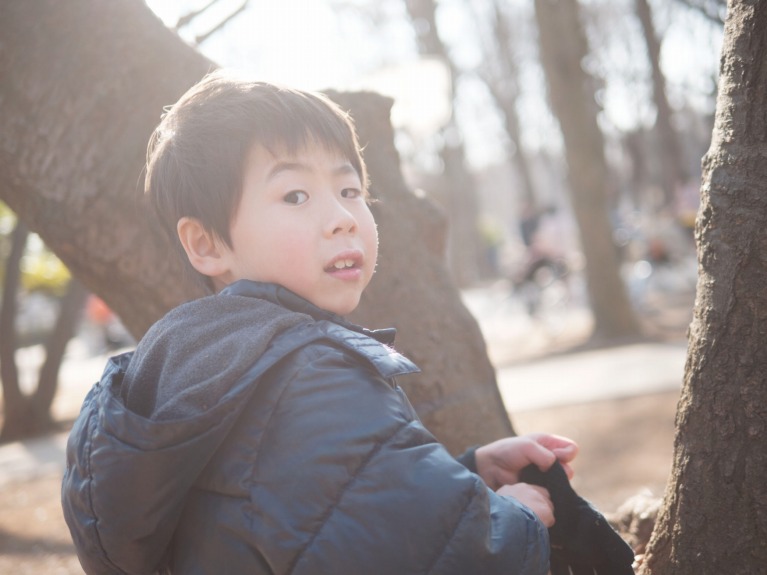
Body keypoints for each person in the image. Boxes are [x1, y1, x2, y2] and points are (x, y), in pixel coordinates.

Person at [61, 71, 579, 575]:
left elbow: (313, 522)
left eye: (350, 190)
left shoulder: (196, 369)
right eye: (295, 196)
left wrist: (468, 478)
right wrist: (513, 517)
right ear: (206, 244)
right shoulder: (308, 376)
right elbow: (447, 560)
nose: (342, 217)